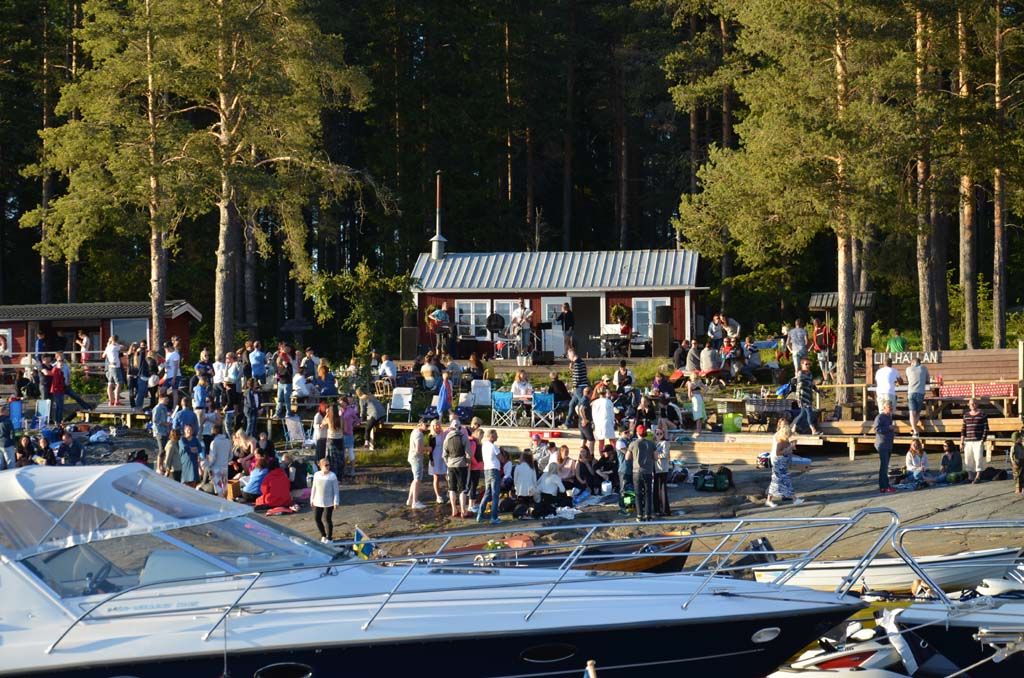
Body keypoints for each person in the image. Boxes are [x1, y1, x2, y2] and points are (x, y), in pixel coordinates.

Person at [766, 421, 804, 507]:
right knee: (784, 481)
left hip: (783, 463)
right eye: (788, 435)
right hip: (779, 464)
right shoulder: (780, 442)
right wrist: (789, 448)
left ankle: (769, 500)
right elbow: (778, 453)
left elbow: (788, 452)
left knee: (777, 482)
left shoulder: (786, 441)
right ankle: (794, 499)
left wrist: (795, 453)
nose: (789, 436)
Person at [627, 425, 656, 522]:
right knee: (648, 494)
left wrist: (635, 457)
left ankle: (639, 515)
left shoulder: (633, 443)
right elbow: (656, 457)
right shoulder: (651, 444)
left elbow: (627, 457)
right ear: (646, 434)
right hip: (648, 471)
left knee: (638, 494)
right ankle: (648, 515)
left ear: (637, 433)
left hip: (636, 471)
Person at [443, 420, 470, 518]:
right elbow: (468, 453)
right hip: (462, 465)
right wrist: (467, 462)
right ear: (460, 427)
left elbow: (444, 454)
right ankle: (463, 511)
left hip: (451, 465)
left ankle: (454, 509)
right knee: (462, 489)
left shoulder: (447, 438)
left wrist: (448, 463)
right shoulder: (464, 437)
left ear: (451, 428)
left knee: (452, 489)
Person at [310, 457, 340, 543]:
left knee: (327, 519)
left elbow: (336, 490)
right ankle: (323, 535)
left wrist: (336, 502)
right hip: (317, 501)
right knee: (317, 519)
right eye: (326, 465)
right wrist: (311, 499)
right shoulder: (316, 475)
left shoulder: (332, 476)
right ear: (320, 466)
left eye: (328, 465)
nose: (328, 466)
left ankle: (329, 538)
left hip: (329, 502)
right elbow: (314, 487)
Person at [961, 398, 988, 484]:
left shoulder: (982, 415)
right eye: (971, 403)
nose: (972, 405)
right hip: (968, 441)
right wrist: (962, 441)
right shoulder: (966, 415)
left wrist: (982, 440)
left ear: (977, 404)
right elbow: (963, 429)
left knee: (978, 458)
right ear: (968, 405)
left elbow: (986, 428)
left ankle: (978, 476)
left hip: (978, 440)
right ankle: (970, 477)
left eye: (974, 403)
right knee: (968, 459)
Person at [872, 401, 896, 494]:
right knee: (884, 466)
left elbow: (889, 429)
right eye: (889, 408)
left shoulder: (889, 417)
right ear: (884, 408)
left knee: (885, 466)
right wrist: (888, 428)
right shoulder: (880, 417)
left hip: (888, 444)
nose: (891, 409)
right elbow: (876, 429)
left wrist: (892, 430)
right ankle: (884, 486)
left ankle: (884, 486)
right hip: (882, 445)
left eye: (891, 408)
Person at [793, 358, 820, 435]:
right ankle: (813, 430)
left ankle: (793, 428)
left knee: (802, 414)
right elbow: (801, 383)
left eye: (809, 364)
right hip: (802, 397)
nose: (808, 366)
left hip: (808, 396)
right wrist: (812, 383)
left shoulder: (810, 374)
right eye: (806, 364)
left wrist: (819, 392)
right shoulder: (800, 373)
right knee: (809, 412)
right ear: (802, 365)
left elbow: (812, 385)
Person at [407, 420, 429, 510]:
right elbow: (418, 450)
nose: (427, 426)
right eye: (426, 425)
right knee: (417, 480)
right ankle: (415, 502)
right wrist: (428, 449)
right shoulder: (419, 434)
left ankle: (410, 499)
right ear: (420, 424)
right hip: (416, 459)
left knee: (415, 479)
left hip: (412, 457)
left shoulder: (414, 431)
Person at [905, 357, 929, 438]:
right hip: (920, 392)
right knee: (917, 412)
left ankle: (914, 429)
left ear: (912, 362)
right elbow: (927, 380)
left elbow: (908, 379)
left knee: (912, 412)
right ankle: (914, 430)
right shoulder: (924, 368)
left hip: (911, 392)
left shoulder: (908, 369)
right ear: (919, 362)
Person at [206, 424, 232, 497]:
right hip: (225, 468)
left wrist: (208, 466)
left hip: (216, 469)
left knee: (219, 490)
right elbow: (231, 456)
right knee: (225, 489)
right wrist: (225, 461)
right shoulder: (228, 441)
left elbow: (212, 458)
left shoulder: (214, 442)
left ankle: (220, 504)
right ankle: (225, 503)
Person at [565, 348, 588, 428]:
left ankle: (586, 421)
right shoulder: (582, 362)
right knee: (571, 404)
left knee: (582, 404)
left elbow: (577, 377)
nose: (568, 357)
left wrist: (573, 386)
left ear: (572, 354)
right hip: (582, 385)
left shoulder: (576, 364)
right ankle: (567, 423)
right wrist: (572, 369)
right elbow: (581, 373)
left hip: (579, 387)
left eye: (568, 355)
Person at [513, 450, 538, 517]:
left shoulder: (518, 467)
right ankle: (529, 513)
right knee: (529, 504)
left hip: (520, 490)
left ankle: (521, 513)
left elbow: (515, 480)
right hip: (530, 490)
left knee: (521, 505)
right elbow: (534, 480)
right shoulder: (532, 468)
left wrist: (516, 487)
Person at [325, 401, 346, 480]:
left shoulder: (328, 419)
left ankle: (333, 476)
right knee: (340, 458)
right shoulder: (341, 418)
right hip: (340, 439)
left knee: (332, 459)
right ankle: (340, 476)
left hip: (331, 440)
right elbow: (344, 429)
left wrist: (327, 414)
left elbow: (322, 424)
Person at [810, 318, 836, 384]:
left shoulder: (826, 328)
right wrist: (814, 348)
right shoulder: (815, 331)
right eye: (815, 323)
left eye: (817, 323)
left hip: (827, 349)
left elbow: (834, 336)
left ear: (820, 322)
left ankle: (834, 381)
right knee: (822, 367)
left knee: (830, 366)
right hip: (819, 351)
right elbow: (814, 341)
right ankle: (826, 381)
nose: (816, 324)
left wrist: (833, 344)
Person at [427, 419, 447, 503]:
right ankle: (438, 496)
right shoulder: (431, 436)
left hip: (443, 456)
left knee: (447, 475)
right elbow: (430, 450)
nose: (437, 426)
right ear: (433, 426)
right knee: (436, 477)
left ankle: (449, 492)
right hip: (435, 456)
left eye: (438, 424)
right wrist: (431, 459)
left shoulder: (443, 434)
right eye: (435, 425)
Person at [591, 387, 615, 453]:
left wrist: (595, 423)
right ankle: (613, 453)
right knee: (612, 440)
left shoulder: (595, 402)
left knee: (601, 441)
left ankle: (602, 455)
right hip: (608, 422)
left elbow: (593, 414)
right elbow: (612, 414)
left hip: (599, 423)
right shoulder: (609, 401)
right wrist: (613, 422)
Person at [653, 428, 671, 516]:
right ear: (655, 434)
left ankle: (665, 509)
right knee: (656, 489)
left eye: (661, 433)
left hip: (662, 469)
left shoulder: (665, 443)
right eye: (657, 433)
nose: (659, 435)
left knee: (662, 489)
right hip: (655, 468)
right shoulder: (654, 443)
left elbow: (665, 454)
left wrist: (656, 456)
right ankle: (657, 509)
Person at [103, 335, 125, 406]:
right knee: (119, 383)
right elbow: (123, 347)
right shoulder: (115, 347)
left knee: (110, 384)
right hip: (116, 367)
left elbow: (103, 355)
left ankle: (111, 401)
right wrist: (116, 344)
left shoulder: (108, 347)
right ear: (116, 340)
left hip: (110, 367)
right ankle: (117, 401)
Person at [163, 340, 181, 407]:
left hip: (175, 375)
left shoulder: (175, 354)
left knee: (174, 391)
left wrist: (174, 378)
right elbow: (168, 365)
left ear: (170, 347)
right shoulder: (168, 354)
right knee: (162, 390)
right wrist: (165, 366)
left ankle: (174, 407)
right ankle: (164, 405)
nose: (165, 349)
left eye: (166, 348)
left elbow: (176, 367)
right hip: (168, 376)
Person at [0, 405, 15, 470]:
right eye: (7, 410)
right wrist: (13, 443)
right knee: (10, 463)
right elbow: (12, 433)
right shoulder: (7, 420)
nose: (8, 412)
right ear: (3, 411)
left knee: (0, 463)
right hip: (7, 444)